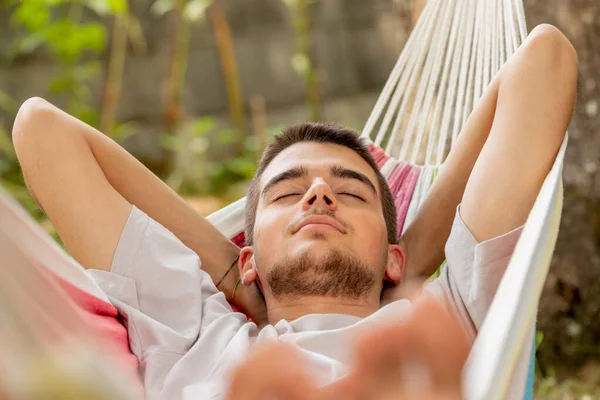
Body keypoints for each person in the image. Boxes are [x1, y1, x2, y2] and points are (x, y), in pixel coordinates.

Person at [11, 24, 577, 399]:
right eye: (288, 193)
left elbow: (543, 58)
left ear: (394, 257)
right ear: (250, 253)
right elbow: (42, 129)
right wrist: (234, 274)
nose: (319, 195)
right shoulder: (196, 330)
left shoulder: (449, 311)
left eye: (351, 192)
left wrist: (418, 254)